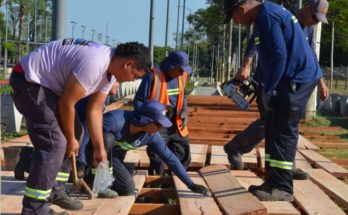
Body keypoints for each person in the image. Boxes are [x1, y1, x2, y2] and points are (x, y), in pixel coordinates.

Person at [9, 38, 151, 215]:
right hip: (28, 80)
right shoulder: (95, 63)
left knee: (77, 132)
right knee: (55, 143)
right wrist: (70, 140)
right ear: (128, 64)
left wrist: (100, 148)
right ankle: (34, 209)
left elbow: (95, 111)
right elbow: (66, 104)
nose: (132, 80)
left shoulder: (108, 71)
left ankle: (55, 189)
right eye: (135, 76)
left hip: (45, 86)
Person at [223, 0, 323, 201]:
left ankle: (282, 187)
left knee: (282, 131)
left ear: (241, 9)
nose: (237, 22)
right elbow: (272, 53)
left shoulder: (267, 16)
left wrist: (270, 89)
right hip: (295, 78)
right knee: (272, 127)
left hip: (297, 79)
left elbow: (279, 55)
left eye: (235, 18)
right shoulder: (266, 15)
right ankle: (273, 180)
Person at [85, 100, 208, 196]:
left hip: (112, 158)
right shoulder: (115, 121)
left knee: (128, 189)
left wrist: (191, 184)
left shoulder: (151, 136)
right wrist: (80, 163)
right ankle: (90, 179)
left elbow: (170, 159)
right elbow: (86, 135)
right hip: (92, 154)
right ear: (146, 121)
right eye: (159, 124)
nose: (161, 128)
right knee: (107, 138)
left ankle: (104, 183)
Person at [134, 51, 191, 175]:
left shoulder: (182, 76)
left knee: (183, 155)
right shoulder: (153, 76)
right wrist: (143, 123)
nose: (182, 72)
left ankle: (174, 185)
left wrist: (185, 111)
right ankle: (156, 186)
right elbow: (139, 101)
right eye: (180, 69)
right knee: (157, 159)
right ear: (171, 65)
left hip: (176, 122)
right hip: (158, 123)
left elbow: (183, 95)